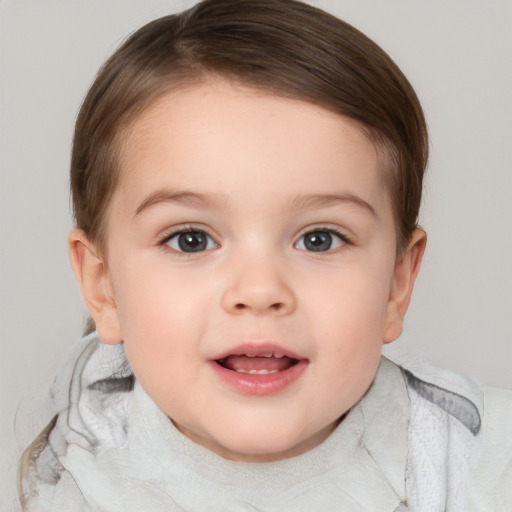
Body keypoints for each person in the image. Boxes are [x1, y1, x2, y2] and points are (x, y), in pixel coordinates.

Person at [17, 0, 512, 510]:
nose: (259, 290)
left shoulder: (483, 469)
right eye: (191, 239)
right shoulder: (78, 484)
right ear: (104, 287)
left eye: (320, 238)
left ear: (396, 282)